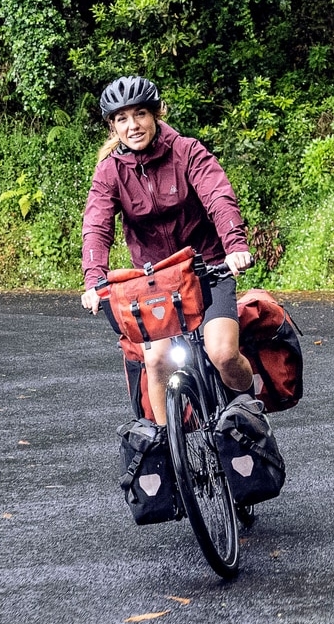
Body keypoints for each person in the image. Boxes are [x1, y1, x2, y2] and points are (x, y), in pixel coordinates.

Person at [81, 75, 256, 425]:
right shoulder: (110, 171)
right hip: (154, 284)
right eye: (122, 119)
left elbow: (218, 197)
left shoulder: (187, 151)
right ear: (112, 126)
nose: (133, 126)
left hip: (206, 270)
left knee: (222, 353)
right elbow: (96, 225)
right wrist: (94, 279)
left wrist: (235, 246)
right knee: (157, 360)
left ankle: (247, 408)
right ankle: (167, 446)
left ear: (157, 113)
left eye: (141, 114)